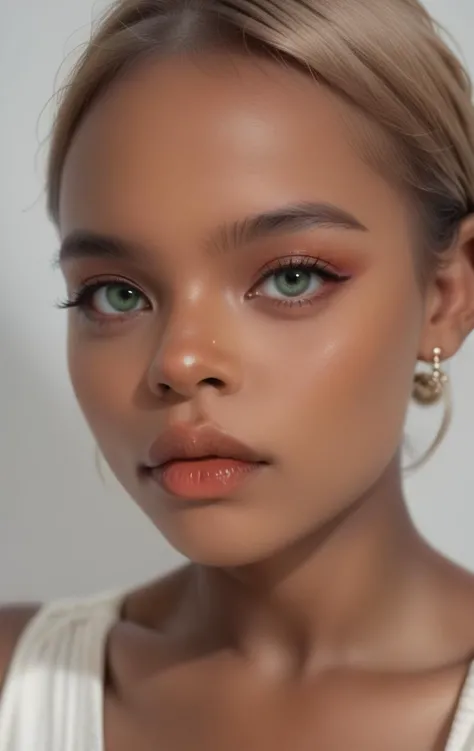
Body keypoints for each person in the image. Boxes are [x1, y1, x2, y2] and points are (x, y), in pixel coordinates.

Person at [2, 0, 474, 747]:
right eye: (115, 293)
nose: (180, 361)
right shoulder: (16, 686)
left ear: (448, 294)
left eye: (291, 277)